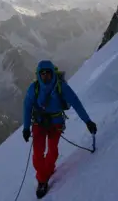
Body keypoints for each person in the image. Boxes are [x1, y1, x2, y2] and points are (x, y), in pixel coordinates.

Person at [22, 60, 97, 197]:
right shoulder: (35, 88)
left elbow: (76, 103)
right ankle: (43, 178)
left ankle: (44, 178)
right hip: (39, 124)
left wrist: (88, 121)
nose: (45, 77)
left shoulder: (60, 87)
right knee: (38, 155)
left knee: (52, 151)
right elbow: (27, 107)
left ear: (53, 74)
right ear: (38, 75)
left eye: (48, 73)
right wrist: (26, 128)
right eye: (42, 74)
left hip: (55, 123)